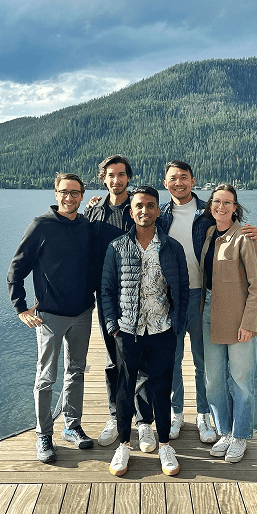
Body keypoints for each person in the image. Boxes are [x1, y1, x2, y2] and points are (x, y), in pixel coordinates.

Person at [157, 161, 257, 442]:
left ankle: (204, 417)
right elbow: (131, 219)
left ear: (193, 180)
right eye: (172, 178)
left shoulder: (207, 213)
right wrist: (96, 206)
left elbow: (233, 231)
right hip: (169, 297)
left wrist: (256, 233)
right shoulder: (159, 214)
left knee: (205, 364)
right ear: (165, 183)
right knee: (172, 360)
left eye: (184, 177)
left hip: (202, 297)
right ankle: (177, 413)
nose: (178, 183)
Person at [7, 173, 95, 463]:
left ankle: (72, 426)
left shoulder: (85, 226)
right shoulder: (41, 225)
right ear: (56, 194)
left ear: (82, 196)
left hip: (82, 312)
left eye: (75, 193)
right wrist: (21, 307)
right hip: (49, 316)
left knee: (77, 371)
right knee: (46, 377)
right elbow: (16, 269)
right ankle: (44, 435)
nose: (69, 198)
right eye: (64, 192)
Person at [101, 186, 189, 476]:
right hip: (128, 330)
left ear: (157, 210)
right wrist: (113, 326)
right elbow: (107, 290)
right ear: (131, 211)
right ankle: (124, 444)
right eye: (139, 206)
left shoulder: (171, 247)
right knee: (125, 388)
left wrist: (178, 324)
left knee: (162, 388)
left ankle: (164, 444)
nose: (144, 211)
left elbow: (183, 289)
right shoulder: (117, 247)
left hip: (163, 329)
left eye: (151, 205)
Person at [84, 155, 156, 453]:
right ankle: (116, 417)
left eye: (122, 175)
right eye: (111, 175)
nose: (117, 180)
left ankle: (143, 423)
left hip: (139, 295)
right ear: (104, 178)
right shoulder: (94, 213)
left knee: (140, 360)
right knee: (115, 358)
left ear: (128, 177)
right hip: (107, 296)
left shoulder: (138, 209)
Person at [200, 183, 257, 463]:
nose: (221, 207)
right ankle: (224, 431)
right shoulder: (210, 232)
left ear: (235, 207)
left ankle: (240, 436)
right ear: (210, 205)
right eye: (217, 202)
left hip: (238, 318)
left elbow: (256, 286)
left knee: (241, 380)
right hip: (208, 315)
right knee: (213, 380)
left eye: (227, 202)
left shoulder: (246, 237)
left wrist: (249, 322)